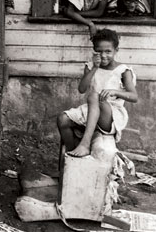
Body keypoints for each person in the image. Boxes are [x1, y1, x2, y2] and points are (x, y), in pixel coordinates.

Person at [57, 29, 138, 157]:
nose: (103, 55)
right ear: (94, 51)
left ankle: (85, 144)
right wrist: (95, 68)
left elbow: (134, 97)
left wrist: (115, 91)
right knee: (62, 119)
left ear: (116, 50)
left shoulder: (123, 70)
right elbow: (82, 89)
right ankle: (72, 155)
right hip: (91, 110)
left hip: (110, 115)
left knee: (95, 96)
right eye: (99, 51)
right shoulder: (90, 67)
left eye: (108, 51)